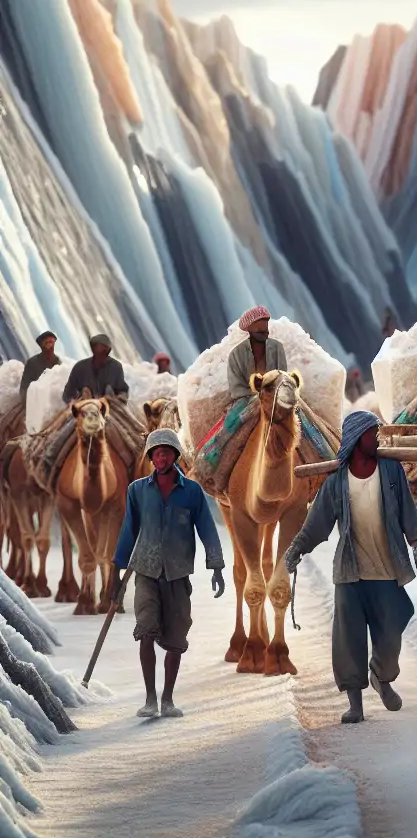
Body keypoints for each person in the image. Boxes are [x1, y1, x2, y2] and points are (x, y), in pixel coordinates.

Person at [284, 411, 417, 724]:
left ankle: (381, 675)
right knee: (349, 639)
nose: (376, 438)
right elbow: (318, 522)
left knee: (394, 625)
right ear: (355, 439)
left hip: (387, 570)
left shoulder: (391, 472)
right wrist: (297, 547)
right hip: (350, 573)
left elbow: (406, 509)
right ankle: (355, 704)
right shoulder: (337, 481)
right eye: (371, 433)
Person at [111, 429, 226, 719]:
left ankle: (167, 699)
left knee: (176, 639)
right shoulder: (137, 490)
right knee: (146, 631)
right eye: (156, 452)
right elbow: (128, 530)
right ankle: (149, 699)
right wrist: (117, 572)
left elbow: (208, 531)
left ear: (175, 455)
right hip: (146, 573)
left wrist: (217, 566)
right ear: (151, 457)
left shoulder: (192, 492)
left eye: (167, 451)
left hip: (177, 576)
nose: (161, 456)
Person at [227, 306, 287, 400]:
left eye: (266, 326)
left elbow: (283, 377)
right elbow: (236, 389)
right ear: (249, 329)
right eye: (259, 328)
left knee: (297, 412)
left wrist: (273, 392)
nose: (265, 331)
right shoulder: (236, 355)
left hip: (276, 397)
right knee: (235, 415)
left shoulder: (277, 348)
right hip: (247, 400)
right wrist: (257, 394)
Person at [62, 334, 129, 403]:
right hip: (84, 408)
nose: (103, 354)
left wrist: (116, 399)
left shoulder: (116, 367)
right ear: (93, 349)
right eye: (101, 350)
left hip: (108, 408)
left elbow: (123, 392)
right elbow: (67, 395)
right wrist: (76, 402)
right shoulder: (79, 367)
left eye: (105, 351)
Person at [20, 331, 61, 398]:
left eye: (51, 343)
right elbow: (24, 388)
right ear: (41, 345)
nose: (50, 346)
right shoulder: (32, 362)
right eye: (47, 343)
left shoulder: (57, 361)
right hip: (37, 399)